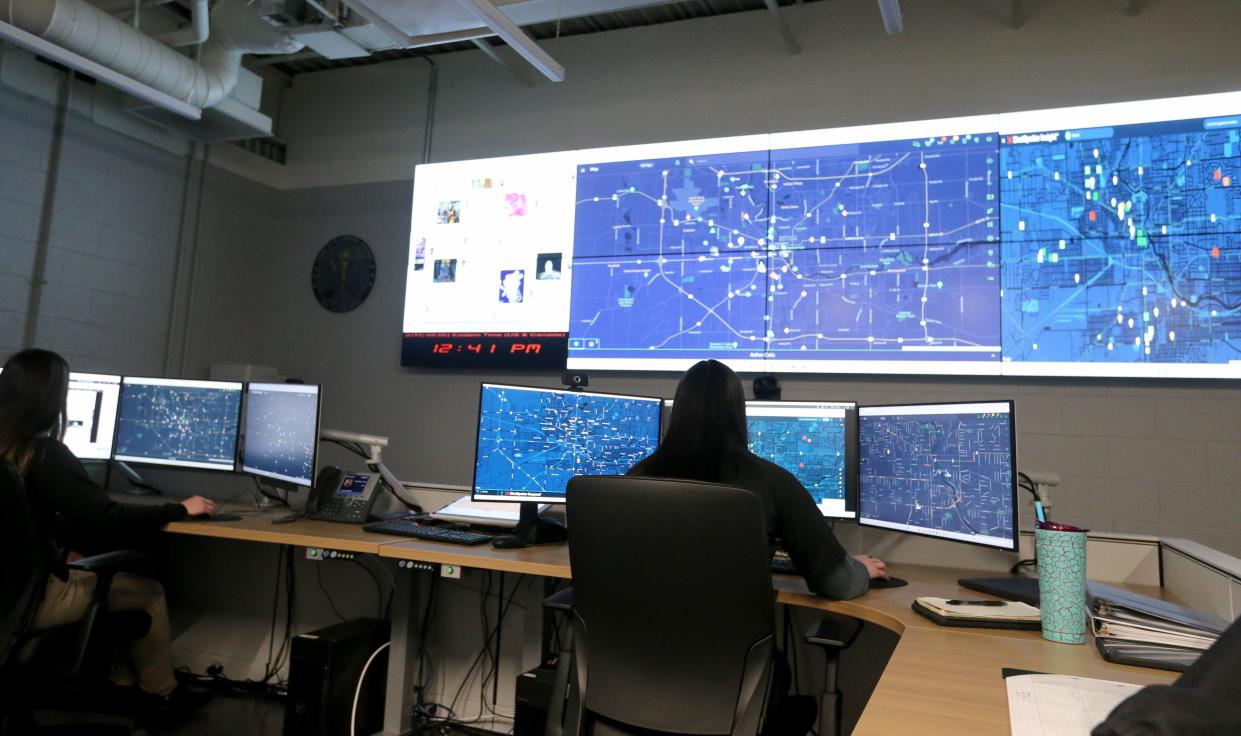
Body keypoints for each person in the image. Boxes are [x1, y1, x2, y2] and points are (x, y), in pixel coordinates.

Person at [0, 349, 215, 718]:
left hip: (7, 593)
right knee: (147, 592)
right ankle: (163, 697)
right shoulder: (44, 453)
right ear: (51, 400)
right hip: (24, 603)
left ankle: (119, 680)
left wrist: (57, 553)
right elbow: (106, 516)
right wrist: (180, 508)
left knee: (94, 574)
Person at [629, 359, 887, 599]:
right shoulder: (772, 483)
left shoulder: (633, 480)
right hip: (731, 645)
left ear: (679, 411)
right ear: (738, 414)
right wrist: (862, 570)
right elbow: (836, 583)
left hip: (631, 643)